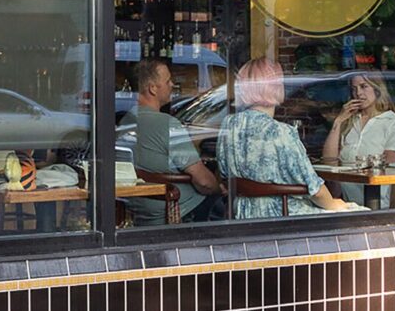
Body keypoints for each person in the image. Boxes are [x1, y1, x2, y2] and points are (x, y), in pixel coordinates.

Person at [217, 57, 355, 218]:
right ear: (274, 87)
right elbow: (315, 190)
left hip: (242, 215)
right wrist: (334, 204)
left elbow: (223, 175)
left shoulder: (229, 126)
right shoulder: (281, 132)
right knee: (362, 216)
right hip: (283, 217)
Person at [123, 58, 222, 225]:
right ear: (152, 88)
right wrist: (221, 187)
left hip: (142, 212)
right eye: (167, 81)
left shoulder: (126, 121)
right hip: (180, 210)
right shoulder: (167, 124)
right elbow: (204, 182)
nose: (172, 85)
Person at [320, 71, 395, 209]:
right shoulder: (349, 121)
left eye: (364, 87)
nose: (359, 94)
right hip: (343, 203)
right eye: (354, 89)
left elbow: (390, 161)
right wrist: (338, 121)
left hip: (374, 201)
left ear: (377, 89)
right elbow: (329, 160)